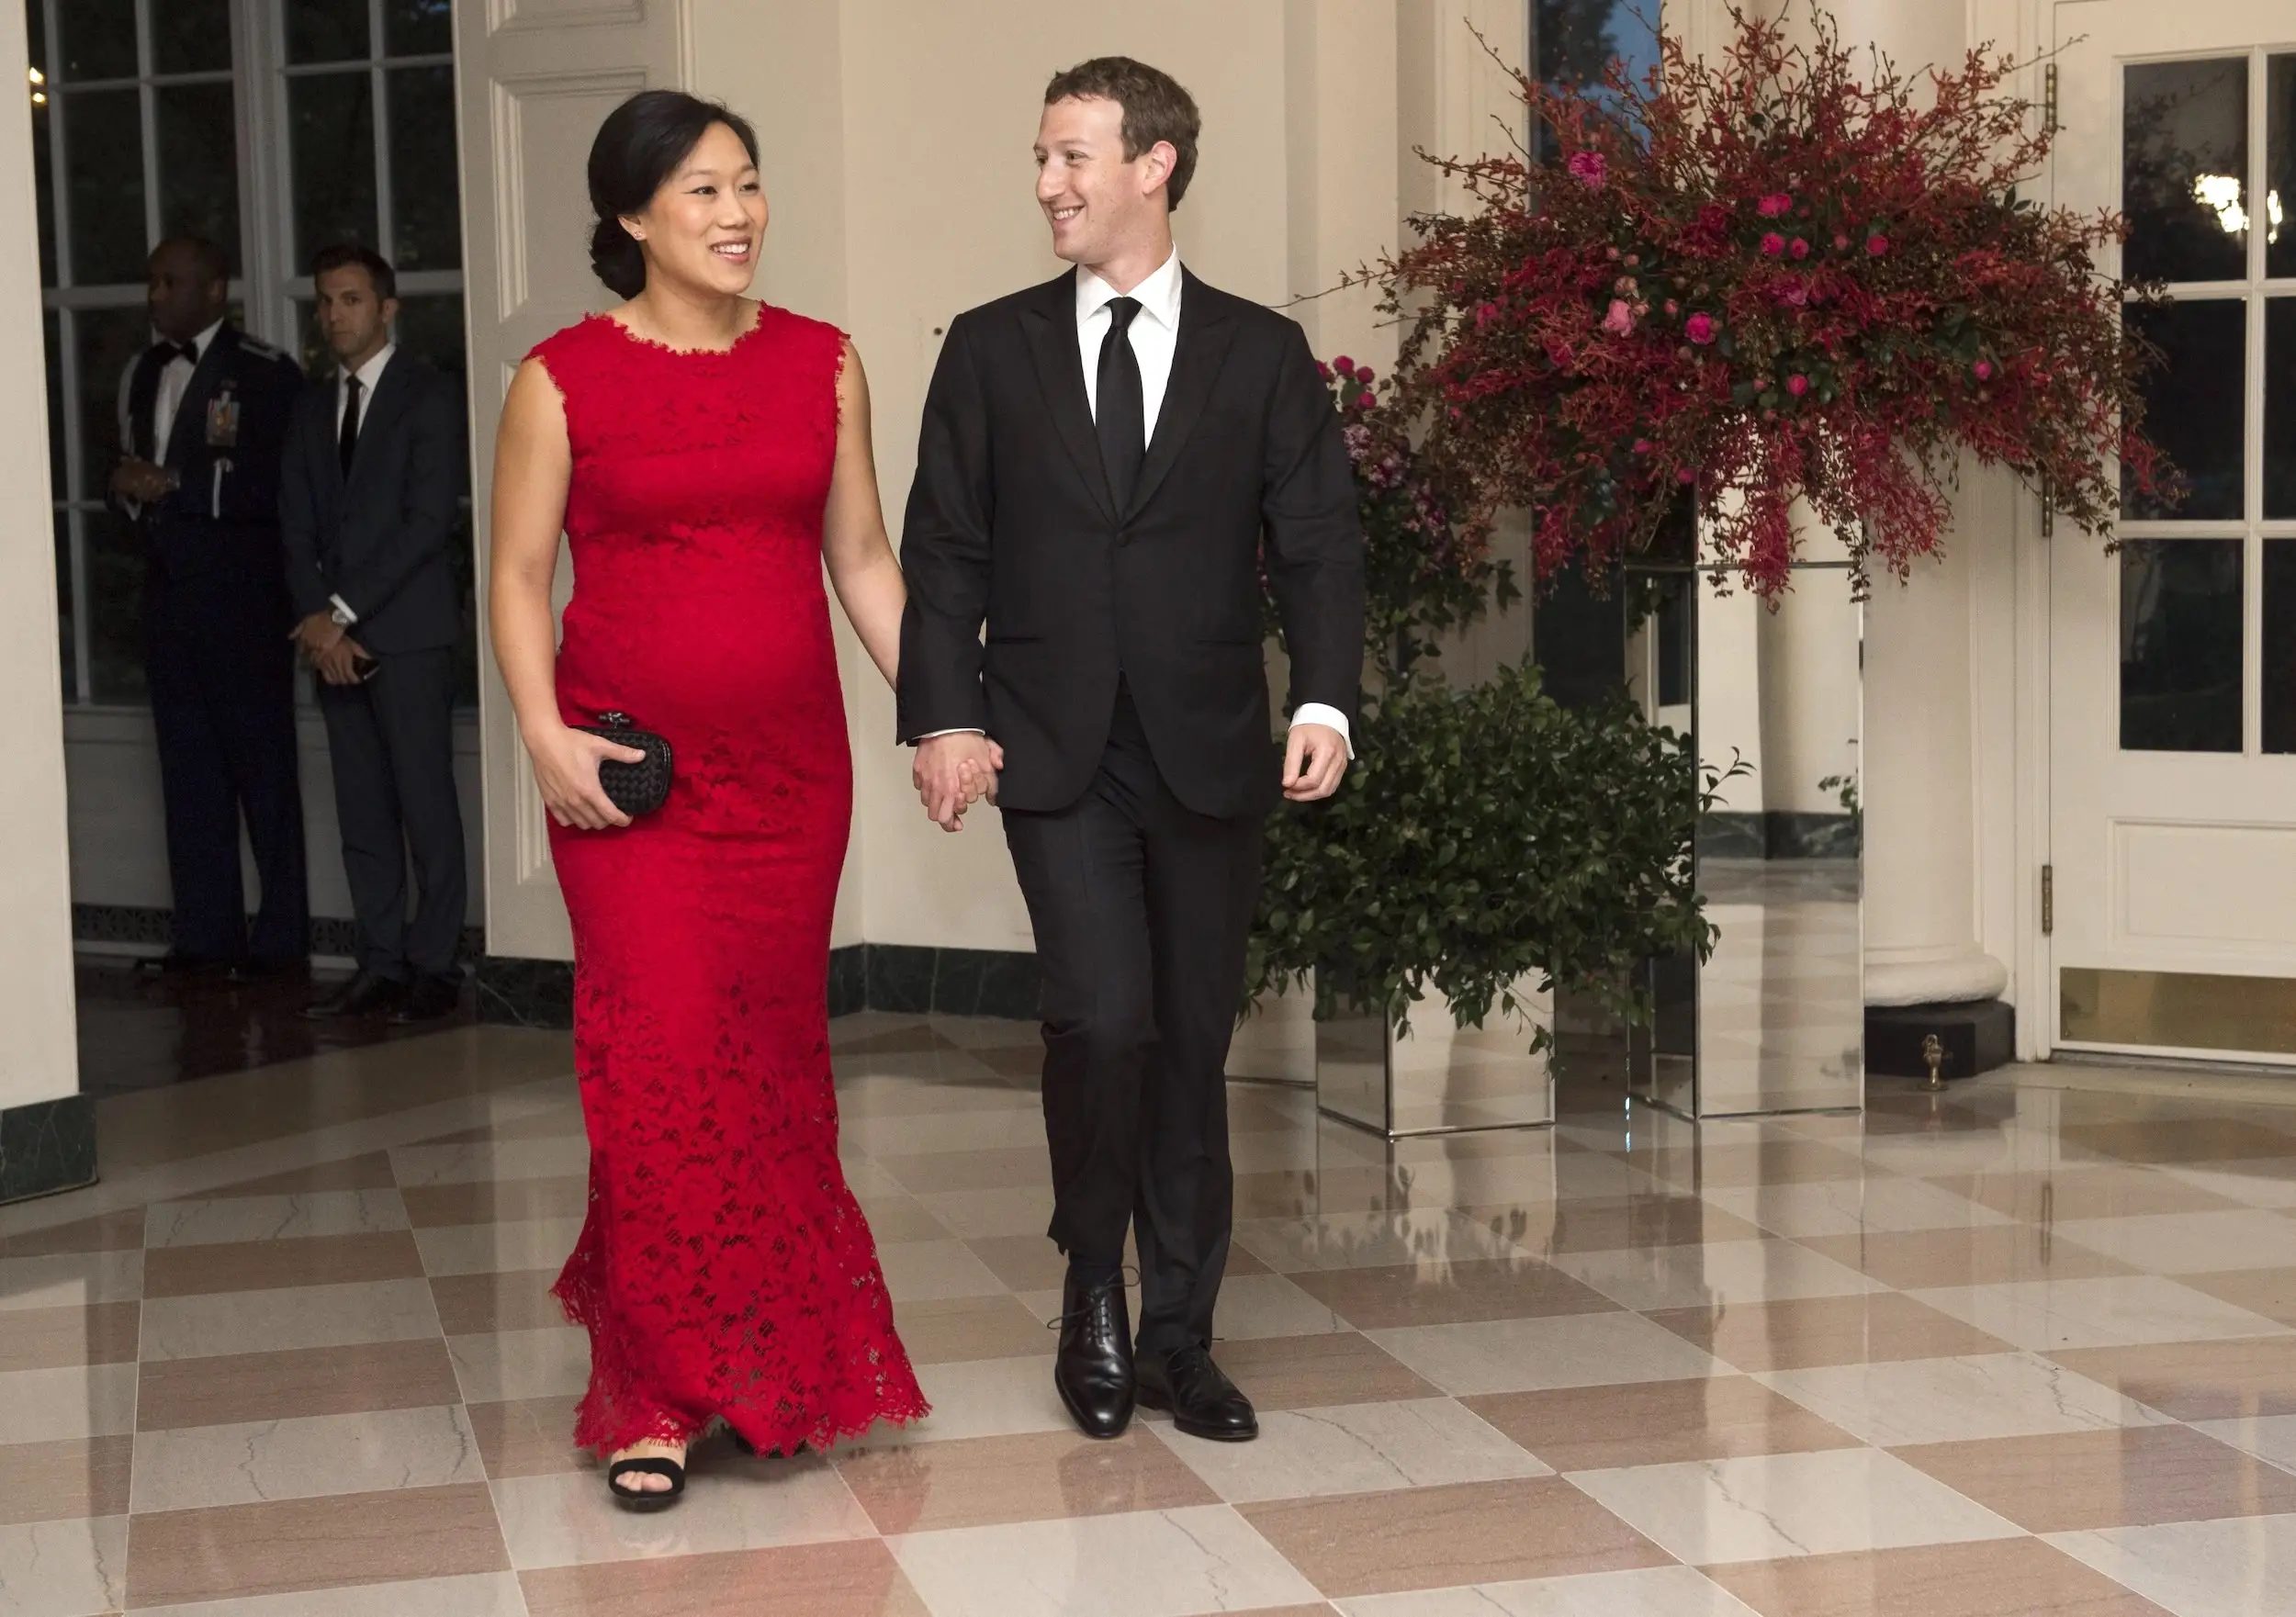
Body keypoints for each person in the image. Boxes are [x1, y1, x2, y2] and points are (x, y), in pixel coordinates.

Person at [898, 58, 1365, 1444]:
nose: (1048, 184)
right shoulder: (990, 347)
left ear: (1153, 165)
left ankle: (1182, 1336)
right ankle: (1090, 1291)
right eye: (1041, 159)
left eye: (1072, 158)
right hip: (1051, 750)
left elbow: (1322, 543)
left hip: (1212, 750)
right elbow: (945, 552)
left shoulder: (1259, 354)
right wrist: (944, 715)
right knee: (1102, 1018)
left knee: (1189, 1044)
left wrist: (1326, 703)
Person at [488, 90, 927, 1509]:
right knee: (662, 1064)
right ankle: (657, 1393)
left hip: (795, 784)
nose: (737, 214)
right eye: (701, 192)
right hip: (632, 788)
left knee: (772, 1070)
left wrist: (952, 707)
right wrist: (544, 732)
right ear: (629, 219)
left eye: (748, 184)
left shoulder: (826, 364)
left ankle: (775, 1369)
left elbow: (861, 560)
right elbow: (512, 576)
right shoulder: (559, 379)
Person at [281, 243, 469, 1024]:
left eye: (350, 300)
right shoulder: (307, 407)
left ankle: (435, 964)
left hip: (410, 635)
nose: (334, 315)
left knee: (425, 804)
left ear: (387, 308)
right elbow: (291, 527)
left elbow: (428, 522)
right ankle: (380, 962)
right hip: (332, 645)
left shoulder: (428, 397)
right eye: (325, 301)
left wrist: (343, 611)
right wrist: (319, 627)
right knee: (361, 810)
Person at [111, 237, 310, 980]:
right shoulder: (140, 371)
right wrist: (128, 488)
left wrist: (179, 487)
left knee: (262, 770)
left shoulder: (264, 373)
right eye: (152, 280)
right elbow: (121, 470)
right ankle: (205, 938)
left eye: (171, 281)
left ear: (214, 289)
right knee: (188, 773)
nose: (156, 294)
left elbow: (286, 488)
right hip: (169, 597)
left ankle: (281, 942)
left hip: (244, 599)